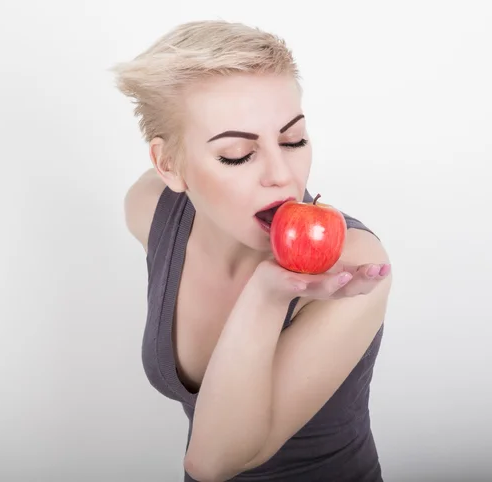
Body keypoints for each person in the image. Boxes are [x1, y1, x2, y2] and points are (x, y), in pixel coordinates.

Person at [113, 20, 393, 482]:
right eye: (238, 154)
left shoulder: (352, 265)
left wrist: (268, 292)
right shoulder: (149, 210)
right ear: (168, 165)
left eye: (293, 140)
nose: (281, 175)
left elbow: (212, 462)